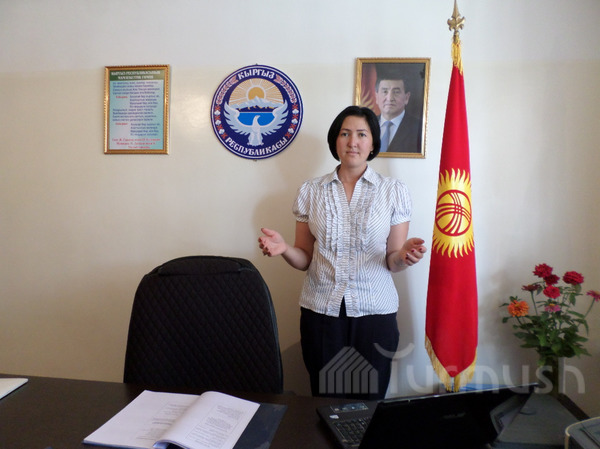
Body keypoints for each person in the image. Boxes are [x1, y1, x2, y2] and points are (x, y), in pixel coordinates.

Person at [258, 106, 427, 399]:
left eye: (362, 134)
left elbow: (393, 260)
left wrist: (404, 256)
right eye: (345, 134)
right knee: (326, 402)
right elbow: (304, 258)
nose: (353, 142)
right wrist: (284, 249)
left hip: (374, 314)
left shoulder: (393, 191)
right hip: (322, 313)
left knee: (368, 403)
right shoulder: (311, 191)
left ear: (373, 143)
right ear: (335, 141)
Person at [375, 74, 422, 153]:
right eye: (385, 91)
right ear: (376, 97)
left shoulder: (419, 128)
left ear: (406, 98)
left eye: (396, 92)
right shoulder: (368, 124)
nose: (389, 98)